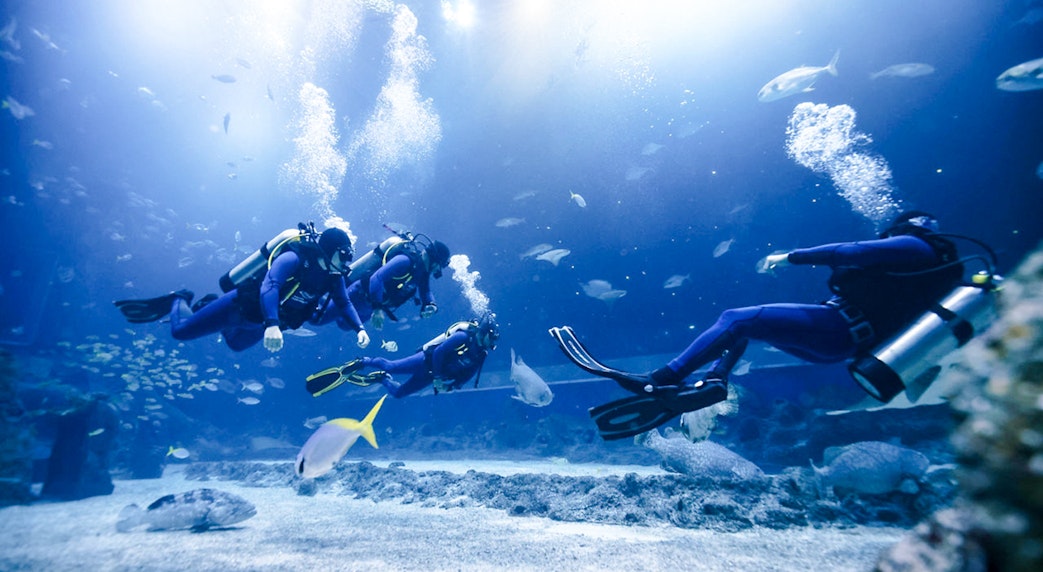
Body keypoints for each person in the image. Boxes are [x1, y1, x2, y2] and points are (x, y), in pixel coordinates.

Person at [552, 211, 968, 439]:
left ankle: (662, 378)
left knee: (736, 319)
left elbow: (851, 250)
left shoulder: (915, 246)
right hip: (843, 344)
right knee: (747, 327)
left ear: (904, 228)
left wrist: (791, 257)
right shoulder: (938, 273)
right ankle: (716, 380)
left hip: (839, 328)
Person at [115, 224, 370, 353]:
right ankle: (181, 299)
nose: (347, 262)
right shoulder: (295, 258)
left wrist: (359, 328)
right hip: (242, 309)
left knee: (235, 345)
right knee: (180, 332)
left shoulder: (333, 276)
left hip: (264, 322)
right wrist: (271, 323)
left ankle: (206, 305)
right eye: (344, 255)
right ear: (330, 250)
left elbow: (345, 303)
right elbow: (270, 285)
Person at [306, 313, 500, 399]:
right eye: (490, 339)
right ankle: (363, 361)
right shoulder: (463, 336)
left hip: (432, 376)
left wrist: (451, 386)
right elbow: (440, 352)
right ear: (483, 333)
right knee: (391, 366)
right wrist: (440, 378)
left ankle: (381, 379)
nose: (490, 345)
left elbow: (469, 374)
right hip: (426, 361)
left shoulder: (480, 353)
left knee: (398, 394)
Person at [328, 230, 451, 330]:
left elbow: (426, 292)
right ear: (435, 260)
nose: (438, 271)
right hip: (359, 294)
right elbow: (377, 278)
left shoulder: (423, 273)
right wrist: (377, 309)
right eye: (441, 266)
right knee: (322, 314)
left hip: (370, 306)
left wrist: (431, 305)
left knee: (344, 325)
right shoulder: (406, 260)